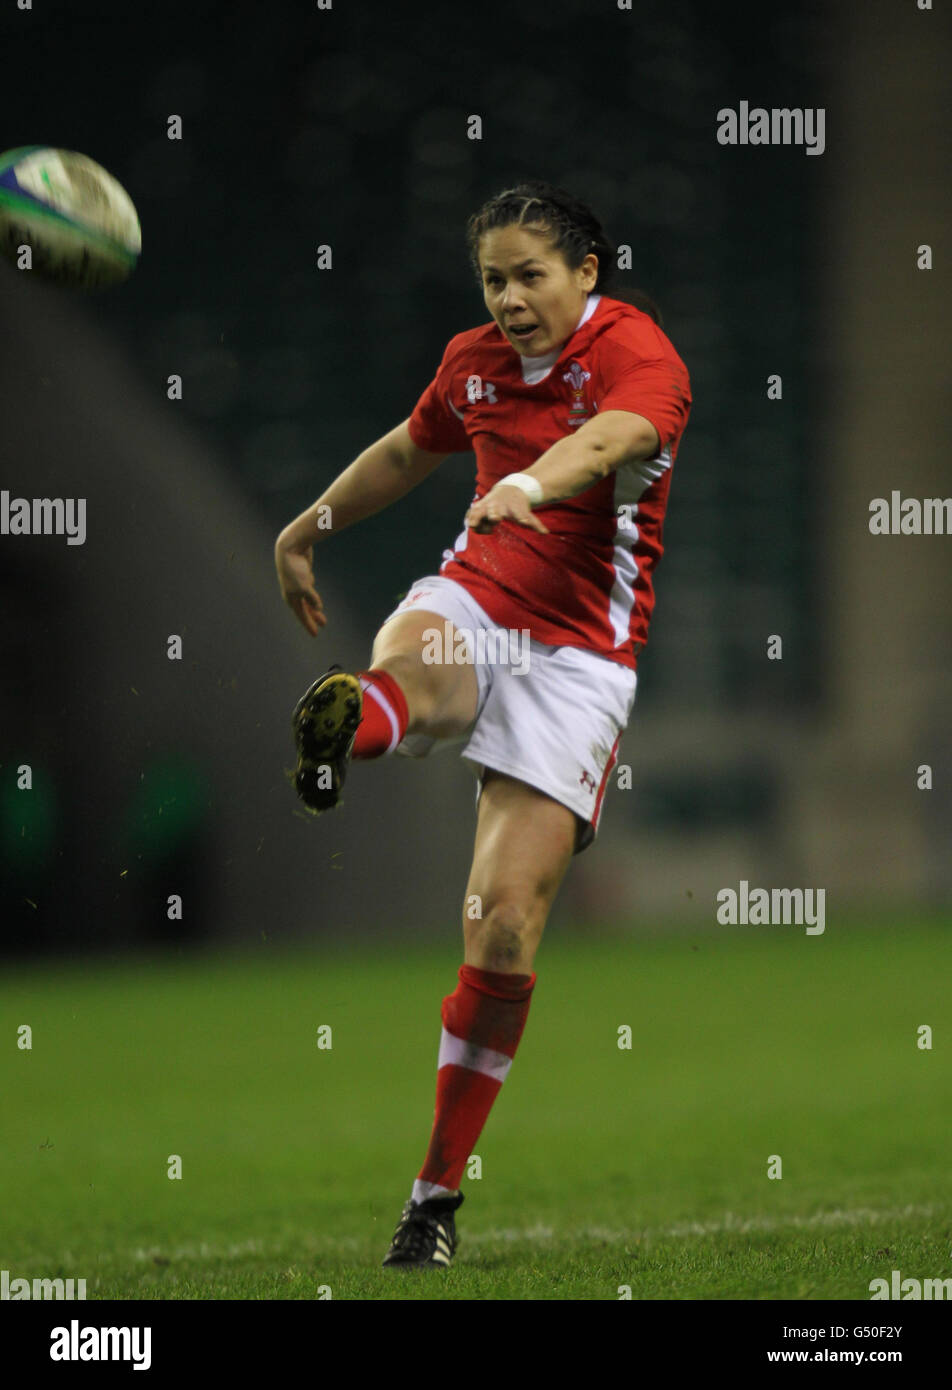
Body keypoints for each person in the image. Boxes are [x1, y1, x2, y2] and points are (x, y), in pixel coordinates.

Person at [274, 180, 691, 1269]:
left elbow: (611, 440)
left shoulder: (639, 352)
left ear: (584, 273)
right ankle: (348, 721)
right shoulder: (472, 364)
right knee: (430, 674)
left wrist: (534, 484)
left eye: (528, 275)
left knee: (502, 928)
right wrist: (304, 529)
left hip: (582, 659)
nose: (508, 298)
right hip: (477, 596)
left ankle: (432, 1200)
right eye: (493, 279)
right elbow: (409, 450)